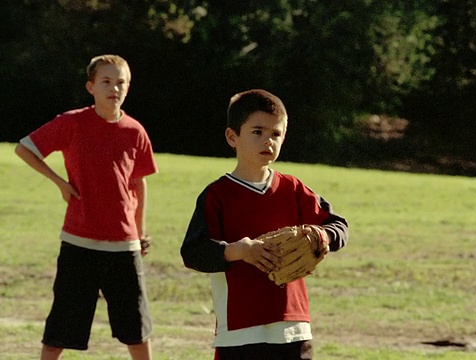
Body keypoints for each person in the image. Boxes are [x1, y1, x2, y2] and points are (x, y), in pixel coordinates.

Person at [180, 89, 348, 360]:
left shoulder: (293, 189)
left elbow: (339, 226)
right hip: (239, 331)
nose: (267, 141)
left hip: (292, 328)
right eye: (257, 132)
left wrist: (322, 235)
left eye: (276, 134)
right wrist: (239, 251)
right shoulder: (217, 195)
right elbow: (193, 252)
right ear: (232, 137)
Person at [14, 54, 157, 360]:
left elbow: (140, 184)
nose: (114, 88)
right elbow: (25, 148)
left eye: (121, 82)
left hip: (124, 246)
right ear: (90, 87)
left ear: (128, 88)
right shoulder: (72, 122)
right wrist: (60, 183)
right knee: (59, 333)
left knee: (138, 332)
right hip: (79, 243)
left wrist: (141, 231)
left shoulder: (135, 131)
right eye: (106, 81)